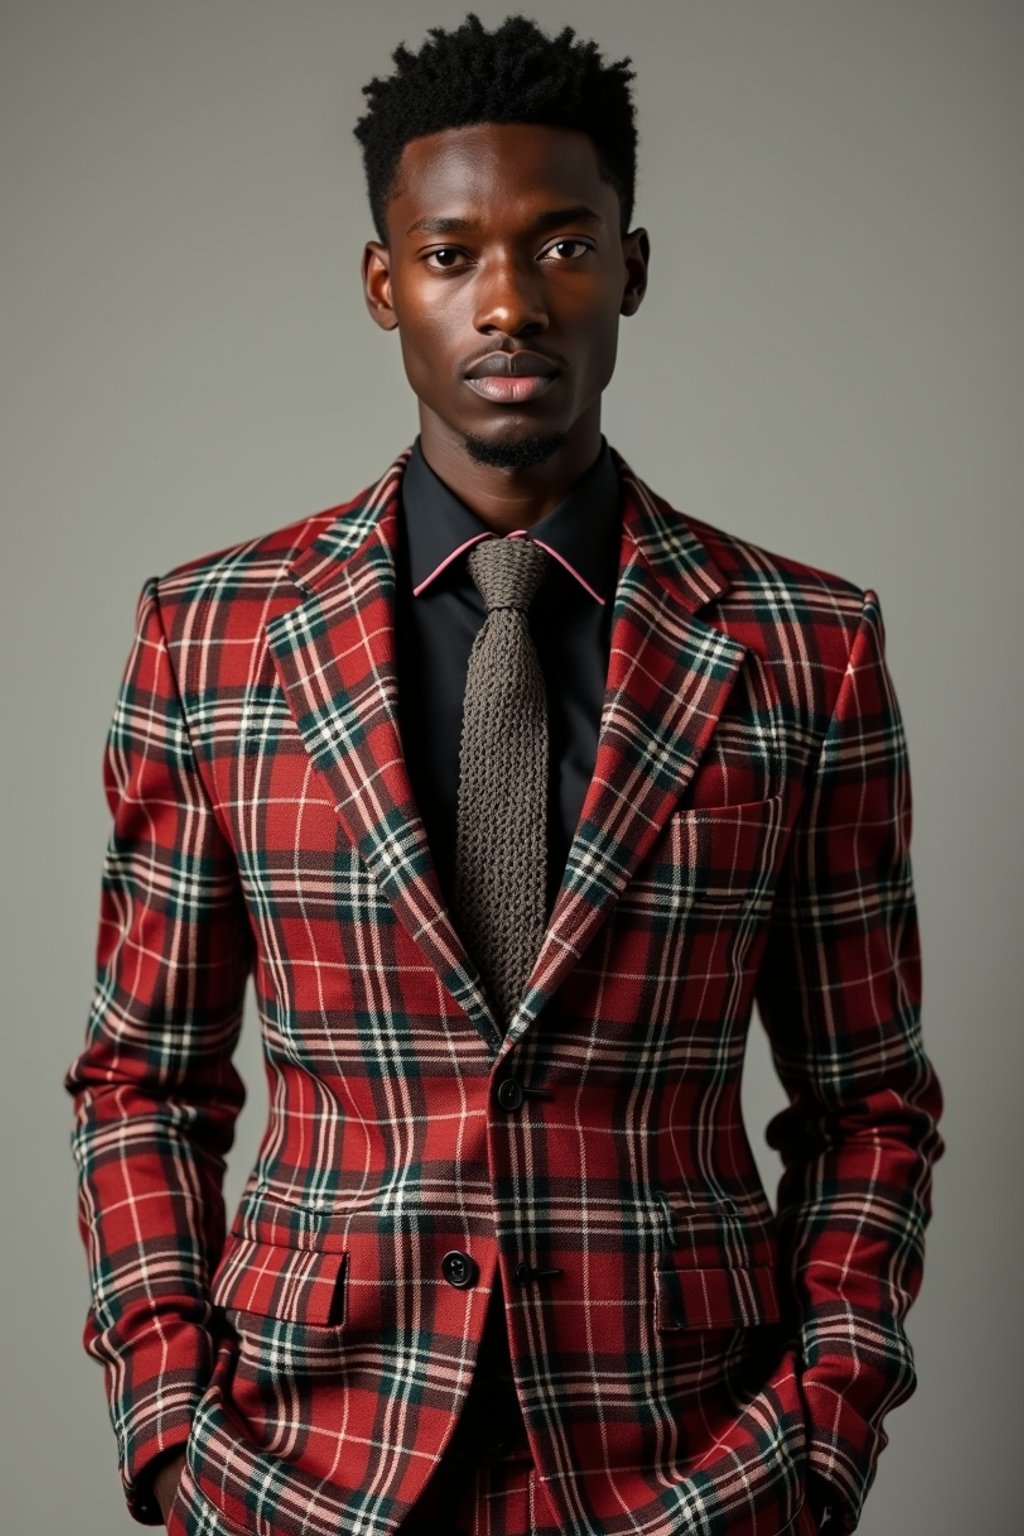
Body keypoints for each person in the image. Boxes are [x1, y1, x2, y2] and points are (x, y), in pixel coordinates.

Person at [64, 13, 944, 1535]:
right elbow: (141, 1078)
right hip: (303, 1466)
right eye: (454, 253)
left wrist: (816, 1443)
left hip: (684, 1466)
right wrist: (170, 1424)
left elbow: (870, 1102)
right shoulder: (210, 635)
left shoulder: (809, 649)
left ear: (634, 268)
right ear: (382, 282)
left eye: (560, 247)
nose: (509, 304)